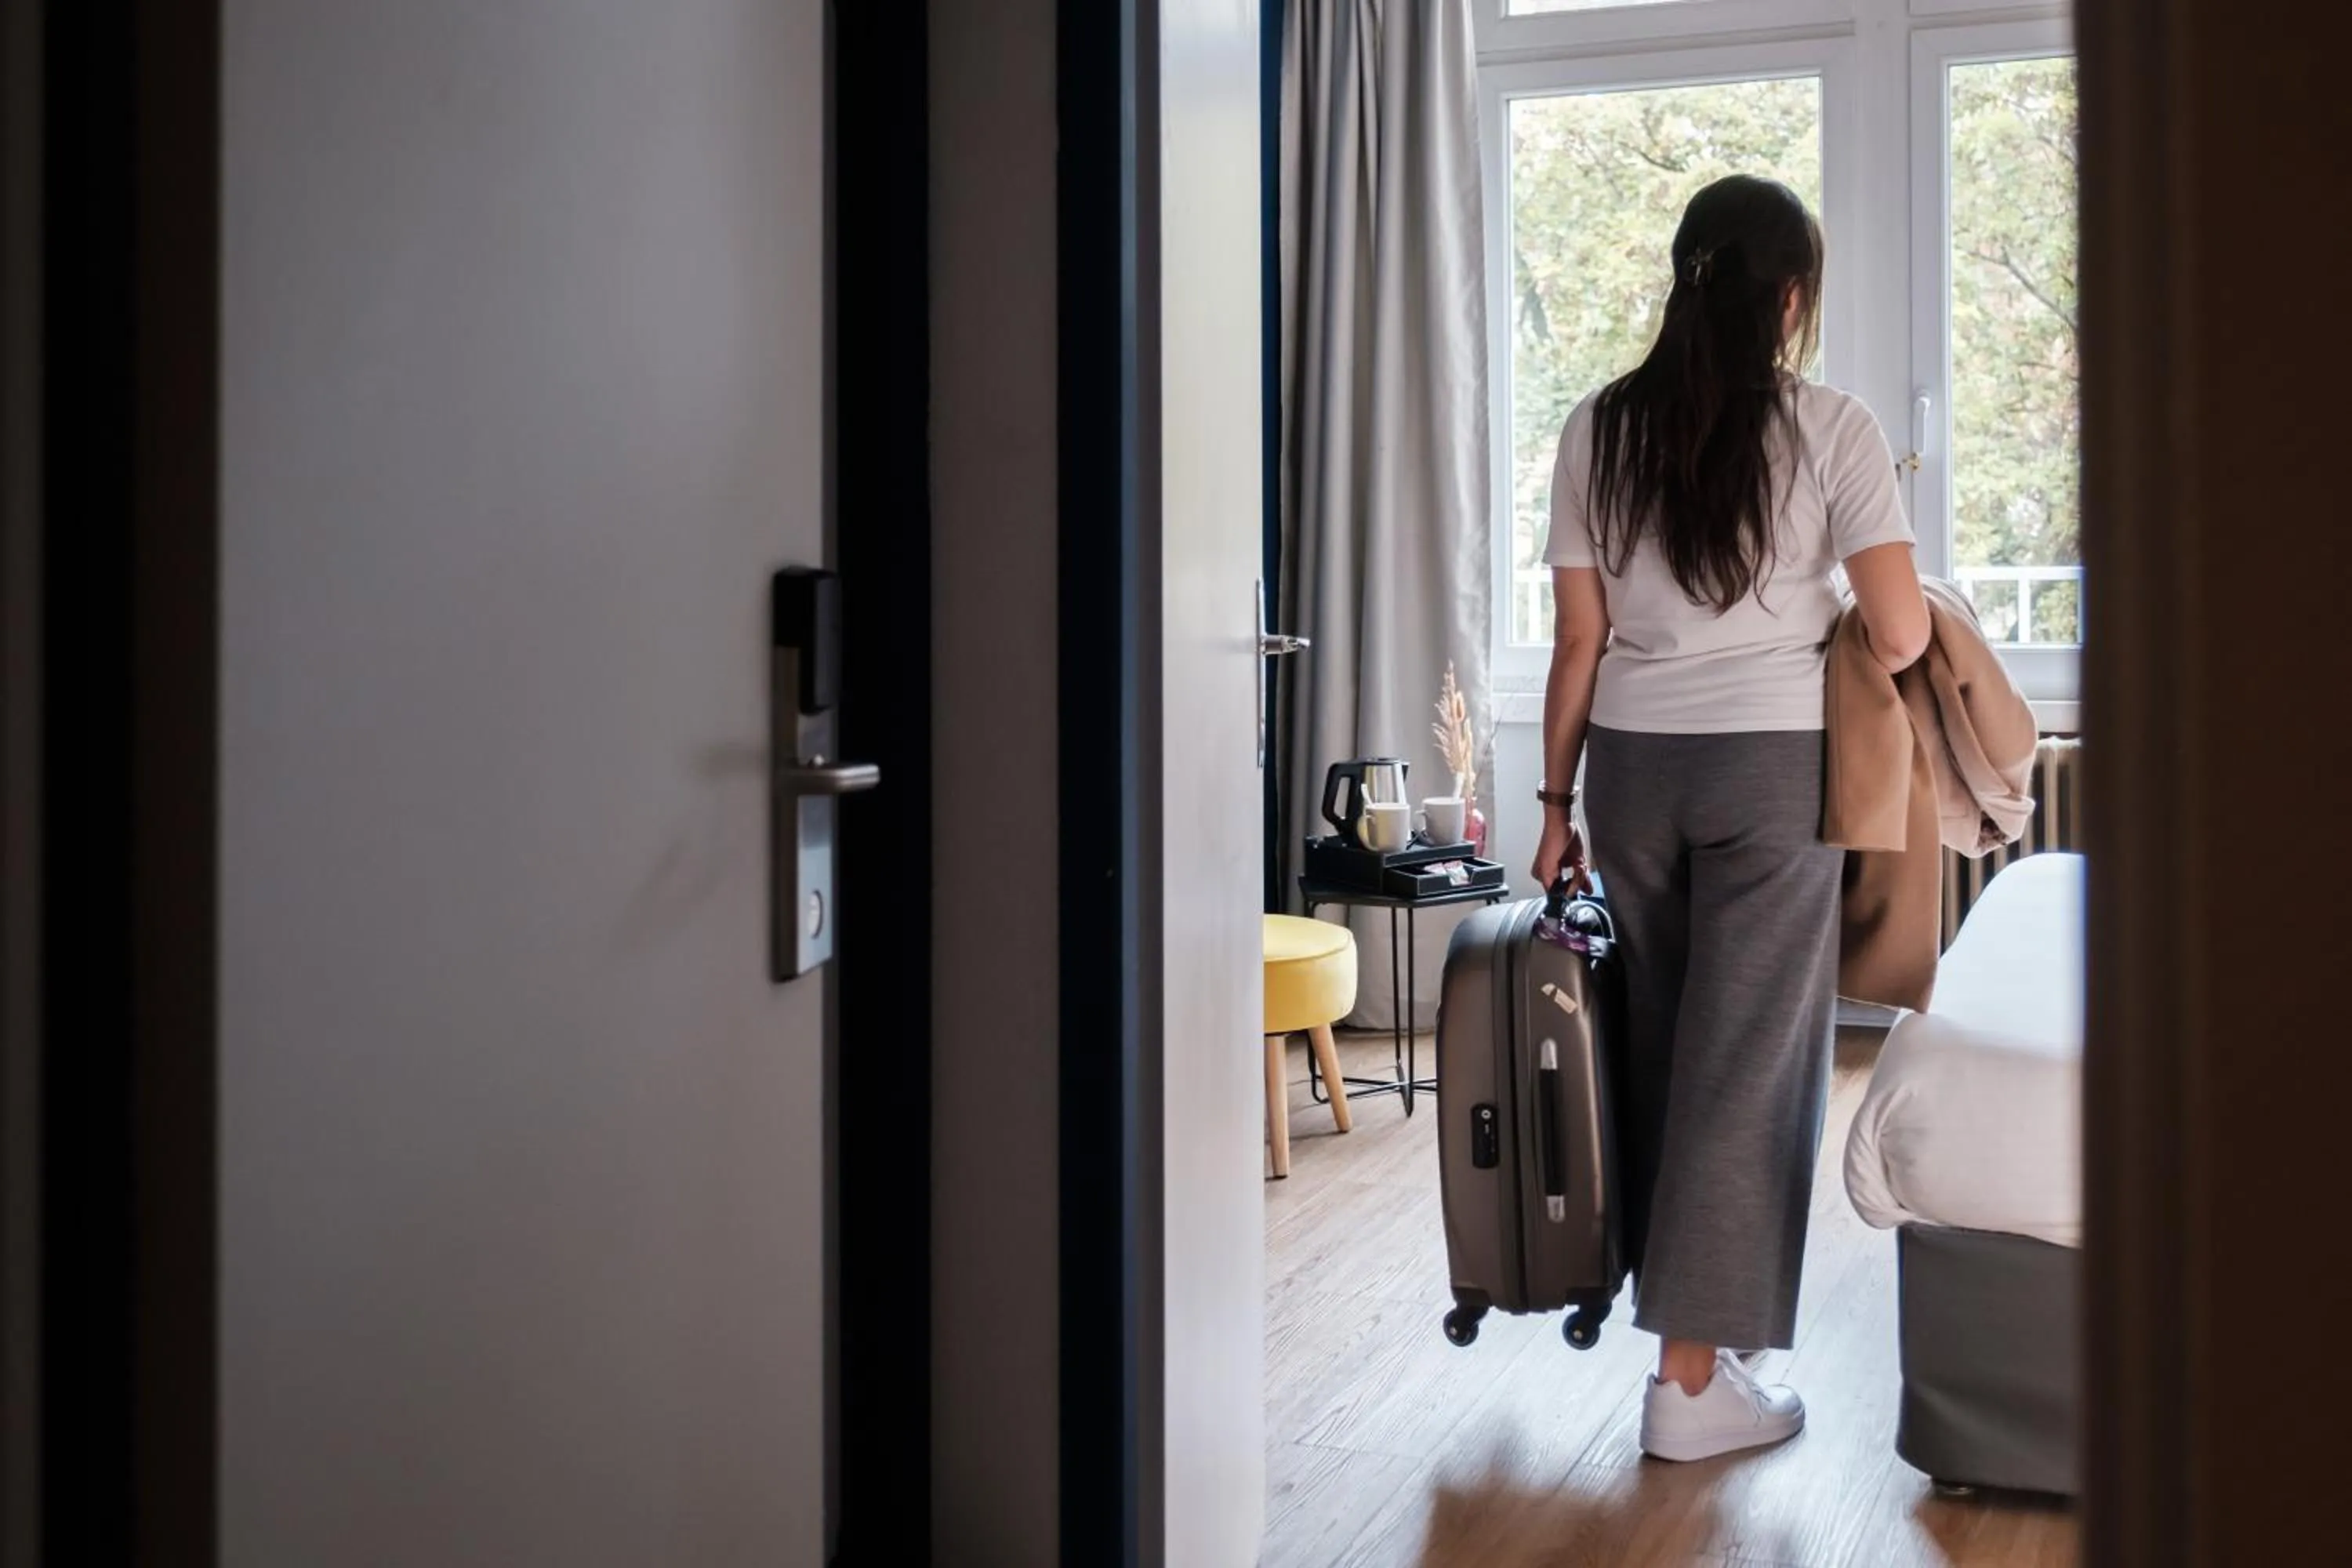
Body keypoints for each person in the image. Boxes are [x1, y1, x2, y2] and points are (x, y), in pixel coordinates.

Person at [1530, 174, 1929, 1463]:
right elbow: (1906, 630)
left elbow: (1579, 640)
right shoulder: (1833, 428)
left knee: (1662, 1048)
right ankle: (1690, 1383)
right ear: (1791, 296)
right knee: (1745, 1063)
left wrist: (1552, 807)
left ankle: (1694, 1338)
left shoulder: (1601, 426)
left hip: (1634, 768)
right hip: (1771, 770)